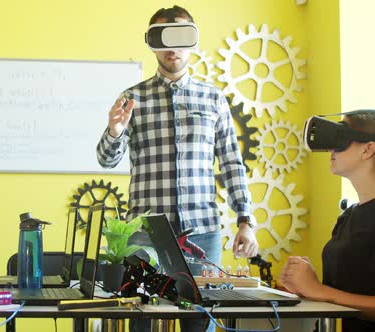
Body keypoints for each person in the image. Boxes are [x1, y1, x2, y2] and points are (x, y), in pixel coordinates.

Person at [96, 6, 258, 331]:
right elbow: (106, 159)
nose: (173, 48)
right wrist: (114, 131)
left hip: (202, 232)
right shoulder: (132, 98)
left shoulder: (213, 99)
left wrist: (245, 221)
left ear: (193, 41)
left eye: (181, 37)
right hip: (144, 234)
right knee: (142, 319)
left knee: (200, 321)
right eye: (163, 38)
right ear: (151, 42)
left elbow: (230, 164)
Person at [280, 111, 375, 331]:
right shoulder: (349, 215)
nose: (331, 149)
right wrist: (304, 284)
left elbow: (328, 294)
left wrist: (319, 290)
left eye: (339, 139)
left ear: (368, 149)